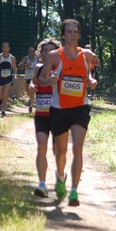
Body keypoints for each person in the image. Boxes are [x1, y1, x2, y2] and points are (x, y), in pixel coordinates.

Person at [40, 19, 98, 207]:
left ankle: (74, 192)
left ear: (79, 34)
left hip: (80, 107)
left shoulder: (87, 55)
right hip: (59, 108)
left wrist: (91, 81)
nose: (73, 34)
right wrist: (50, 79)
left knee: (77, 148)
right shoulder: (53, 56)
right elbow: (41, 78)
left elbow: (89, 74)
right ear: (63, 35)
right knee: (61, 150)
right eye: (69, 31)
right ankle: (60, 176)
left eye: (75, 31)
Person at [29, 38, 61, 197]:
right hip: (41, 115)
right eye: (45, 50)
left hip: (58, 115)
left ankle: (59, 174)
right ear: (40, 53)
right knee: (41, 147)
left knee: (57, 150)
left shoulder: (61, 69)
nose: (47, 53)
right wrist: (31, 87)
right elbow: (33, 85)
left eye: (51, 51)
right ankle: (42, 184)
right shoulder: (38, 68)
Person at [0, 42, 17, 117]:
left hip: (8, 78)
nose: (5, 49)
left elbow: (14, 67)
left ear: (9, 48)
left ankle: (3, 110)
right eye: (3, 47)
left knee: (5, 94)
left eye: (6, 47)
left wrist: (15, 75)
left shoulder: (12, 58)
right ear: (2, 48)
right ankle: (0, 100)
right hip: (0, 77)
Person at [18, 46, 38, 113]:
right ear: (28, 52)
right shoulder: (25, 58)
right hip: (27, 77)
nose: (31, 53)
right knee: (28, 91)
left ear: (35, 52)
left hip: (34, 77)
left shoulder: (37, 58)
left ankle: (31, 106)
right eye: (30, 51)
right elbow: (19, 66)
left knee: (32, 90)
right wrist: (25, 66)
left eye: (32, 51)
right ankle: (31, 99)